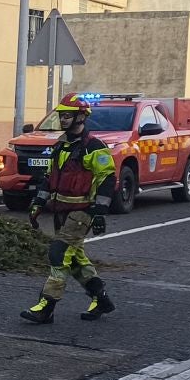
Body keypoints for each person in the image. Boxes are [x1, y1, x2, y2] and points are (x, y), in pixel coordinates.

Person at [21, 94, 117, 324]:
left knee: (59, 253)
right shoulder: (60, 146)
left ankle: (46, 306)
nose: (63, 120)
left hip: (82, 211)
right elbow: (48, 178)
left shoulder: (94, 147)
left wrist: (99, 212)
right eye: (61, 116)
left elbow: (107, 178)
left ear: (81, 117)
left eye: (67, 116)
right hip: (61, 211)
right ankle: (101, 298)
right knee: (74, 260)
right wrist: (38, 204)